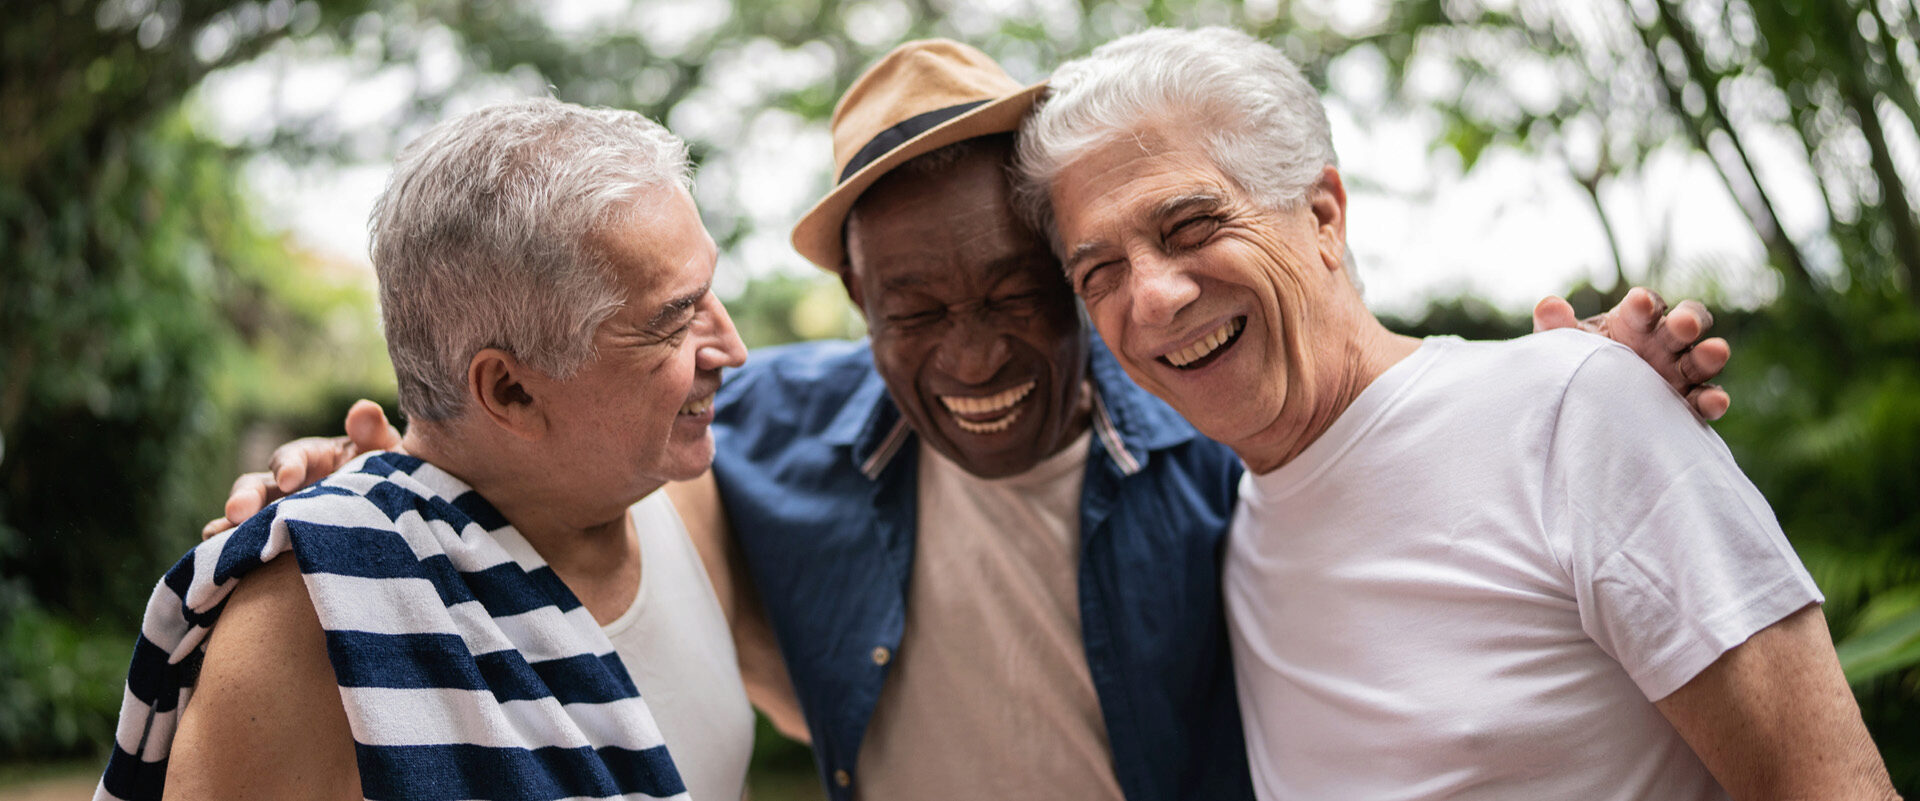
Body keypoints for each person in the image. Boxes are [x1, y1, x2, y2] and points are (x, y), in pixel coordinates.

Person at [210, 41, 1733, 801]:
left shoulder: (1220, 426)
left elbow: (1371, 409)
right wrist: (367, 489)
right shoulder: (760, 430)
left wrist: (1565, 376)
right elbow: (528, 458)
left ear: (1079, 277)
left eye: (1023, 288)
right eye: (914, 311)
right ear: (859, 310)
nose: (975, 350)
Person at [1016, 26, 1899, 800]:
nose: (1156, 297)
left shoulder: (1572, 411)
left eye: (1191, 225)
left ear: (1323, 216)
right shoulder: (1225, 533)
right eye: (1101, 274)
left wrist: (1593, 386)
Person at [99, 99, 752, 801]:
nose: (734, 348)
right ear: (510, 391)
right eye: (674, 320)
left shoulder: (694, 500)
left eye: (708, 291)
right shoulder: (318, 611)